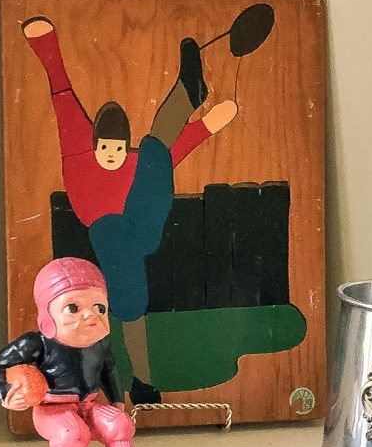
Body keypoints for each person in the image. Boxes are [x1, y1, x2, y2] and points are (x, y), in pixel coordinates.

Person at [22, 17, 237, 321]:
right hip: (128, 236)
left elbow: (165, 160)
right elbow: (64, 105)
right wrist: (46, 50)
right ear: (95, 144)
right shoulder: (81, 159)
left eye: (119, 148)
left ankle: (188, 94)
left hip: (138, 224)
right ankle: (188, 95)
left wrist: (205, 127)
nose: (112, 155)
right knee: (150, 155)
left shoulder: (132, 164)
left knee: (152, 150)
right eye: (106, 148)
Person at [0, 257, 160, 447]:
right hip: (52, 407)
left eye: (99, 307)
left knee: (119, 425)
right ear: (48, 313)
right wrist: (5, 393)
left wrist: (117, 401)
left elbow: (109, 371)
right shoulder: (36, 343)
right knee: (72, 433)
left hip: (89, 403)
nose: (90, 315)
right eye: (73, 308)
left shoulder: (99, 343)